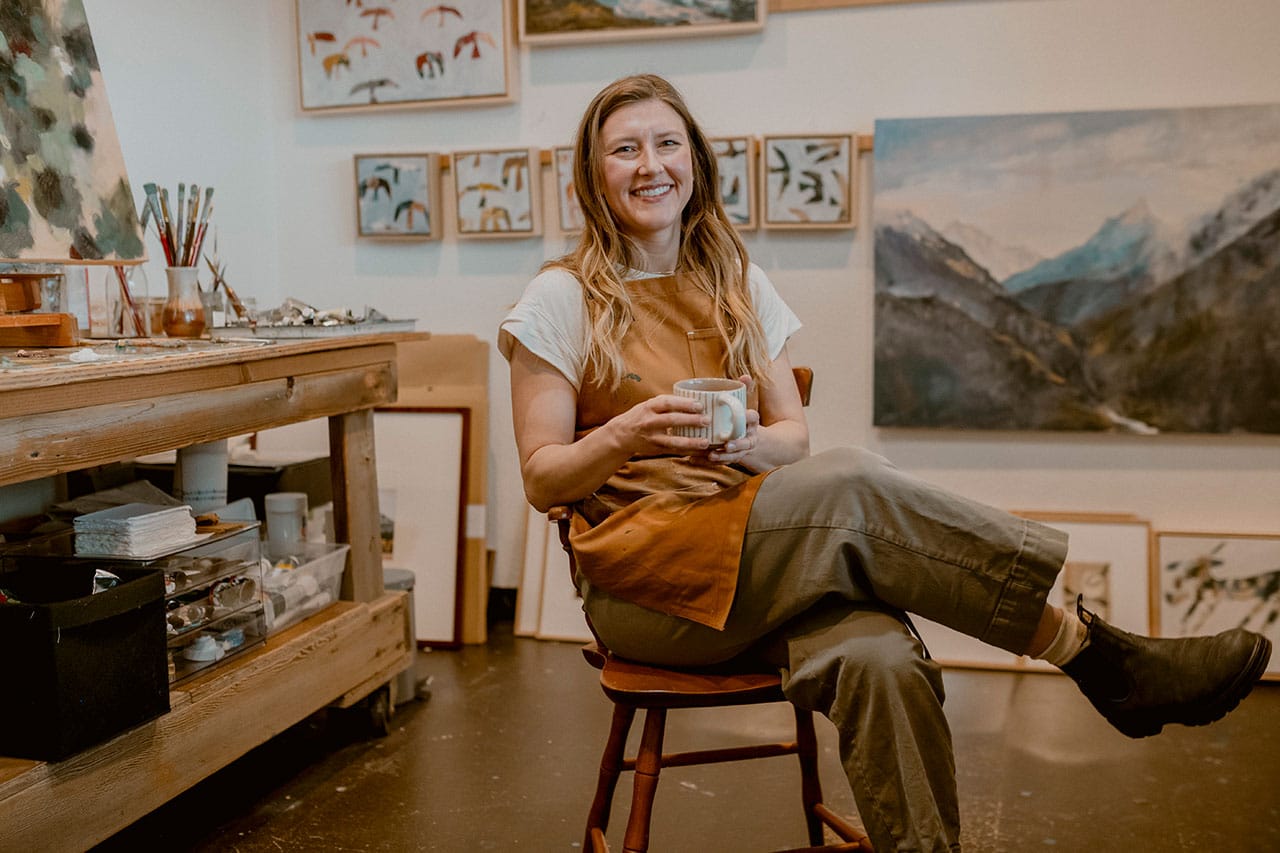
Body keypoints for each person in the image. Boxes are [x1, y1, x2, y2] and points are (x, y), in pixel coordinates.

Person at [499, 74, 1272, 852]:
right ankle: (1092, 653)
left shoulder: (737, 284)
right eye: (624, 149)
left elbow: (790, 439)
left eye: (667, 144)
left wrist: (744, 445)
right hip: (645, 585)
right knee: (853, 481)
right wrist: (628, 434)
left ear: (694, 161)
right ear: (593, 175)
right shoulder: (562, 298)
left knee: (882, 658)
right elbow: (542, 479)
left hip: (754, 559)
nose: (649, 164)